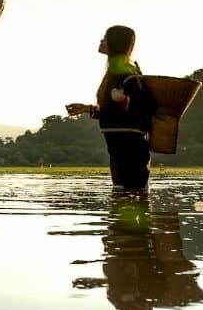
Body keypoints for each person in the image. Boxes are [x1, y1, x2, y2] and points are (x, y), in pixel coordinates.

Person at [67, 25, 157, 192]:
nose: (101, 41)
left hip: (131, 148)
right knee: (121, 195)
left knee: (133, 195)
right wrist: (87, 109)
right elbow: (113, 111)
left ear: (114, 43)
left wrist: (121, 101)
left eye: (105, 38)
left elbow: (141, 109)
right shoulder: (114, 73)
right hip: (117, 147)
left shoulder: (129, 74)